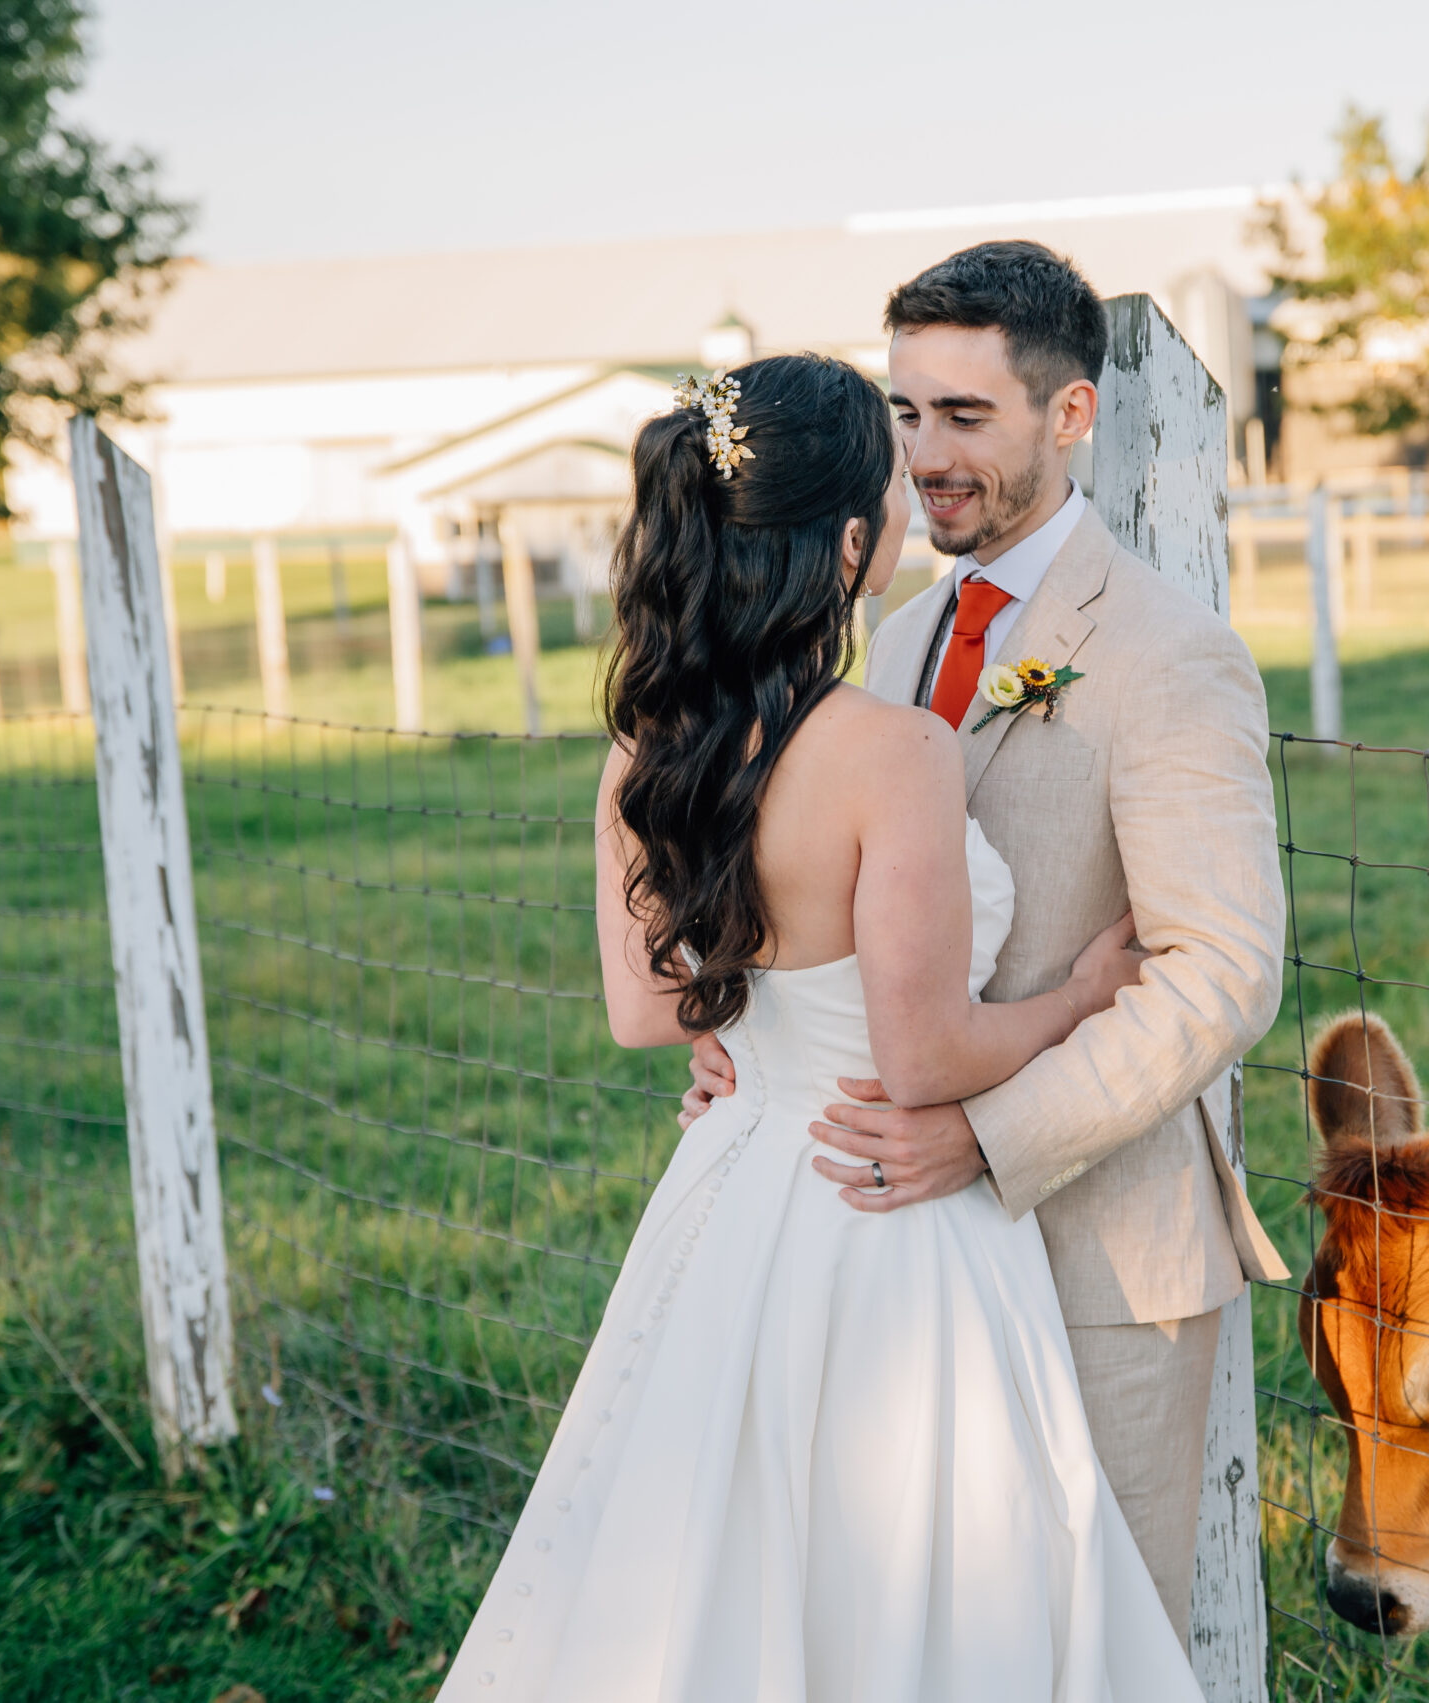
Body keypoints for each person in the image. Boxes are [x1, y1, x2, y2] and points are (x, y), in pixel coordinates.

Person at [438, 350, 1206, 1700]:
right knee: (919, 1564)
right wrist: (1077, 1002)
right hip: (883, 1215)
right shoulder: (888, 752)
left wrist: (741, 1044)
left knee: (715, 1550)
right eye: (893, 490)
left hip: (735, 1188)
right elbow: (925, 1062)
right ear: (854, 542)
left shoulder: (645, 748)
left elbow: (643, 1008)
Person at [680, 240, 1288, 1648]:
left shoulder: (1164, 654)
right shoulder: (890, 637)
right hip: (894, 1257)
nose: (924, 457)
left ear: (1069, 416)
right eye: (905, 414)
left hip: (1093, 1249)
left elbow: (1221, 969)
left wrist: (992, 1131)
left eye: (966, 418)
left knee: (1086, 1643)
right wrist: (743, 1042)